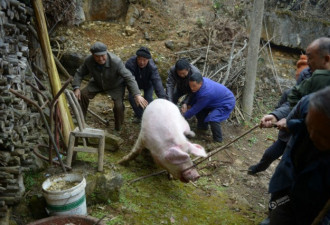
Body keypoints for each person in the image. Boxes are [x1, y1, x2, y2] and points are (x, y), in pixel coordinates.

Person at [248, 37, 330, 175]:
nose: (309, 64)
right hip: (293, 134)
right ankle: (259, 169)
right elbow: (295, 101)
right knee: (271, 155)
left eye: (311, 59)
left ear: (326, 59)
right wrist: (276, 116)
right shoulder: (307, 75)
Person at [267, 86, 330, 225]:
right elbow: (293, 121)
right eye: (310, 127)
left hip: (316, 206)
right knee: (277, 211)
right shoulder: (308, 103)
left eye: (323, 135)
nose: (312, 136)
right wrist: (277, 118)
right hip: (286, 189)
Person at [72, 41, 148, 131]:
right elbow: (79, 72)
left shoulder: (116, 62)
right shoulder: (89, 60)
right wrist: (76, 87)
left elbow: (129, 77)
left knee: (118, 106)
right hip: (97, 83)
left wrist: (137, 94)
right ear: (92, 55)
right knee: (82, 94)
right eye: (97, 56)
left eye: (102, 55)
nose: (100, 59)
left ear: (106, 52)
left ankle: (118, 128)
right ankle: (80, 120)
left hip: (115, 85)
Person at [182, 72, 235, 143]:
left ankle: (218, 141)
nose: (192, 88)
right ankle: (202, 128)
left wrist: (182, 117)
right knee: (201, 111)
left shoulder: (206, 93)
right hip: (215, 100)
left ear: (200, 83)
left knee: (213, 118)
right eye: (190, 86)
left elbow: (195, 109)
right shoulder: (201, 82)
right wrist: (187, 104)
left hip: (227, 102)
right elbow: (194, 95)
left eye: (194, 86)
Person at [125, 47, 166, 122]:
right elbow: (130, 80)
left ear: (148, 60)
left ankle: (150, 116)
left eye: (144, 60)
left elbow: (157, 81)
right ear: (136, 58)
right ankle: (141, 117)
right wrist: (137, 95)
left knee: (148, 100)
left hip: (148, 84)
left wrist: (163, 99)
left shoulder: (152, 66)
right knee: (133, 99)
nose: (142, 62)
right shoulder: (130, 64)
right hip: (134, 84)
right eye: (140, 59)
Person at [288, 37, 330, 107]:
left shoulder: (318, 77)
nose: (307, 62)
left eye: (310, 58)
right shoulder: (306, 74)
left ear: (326, 59)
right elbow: (293, 95)